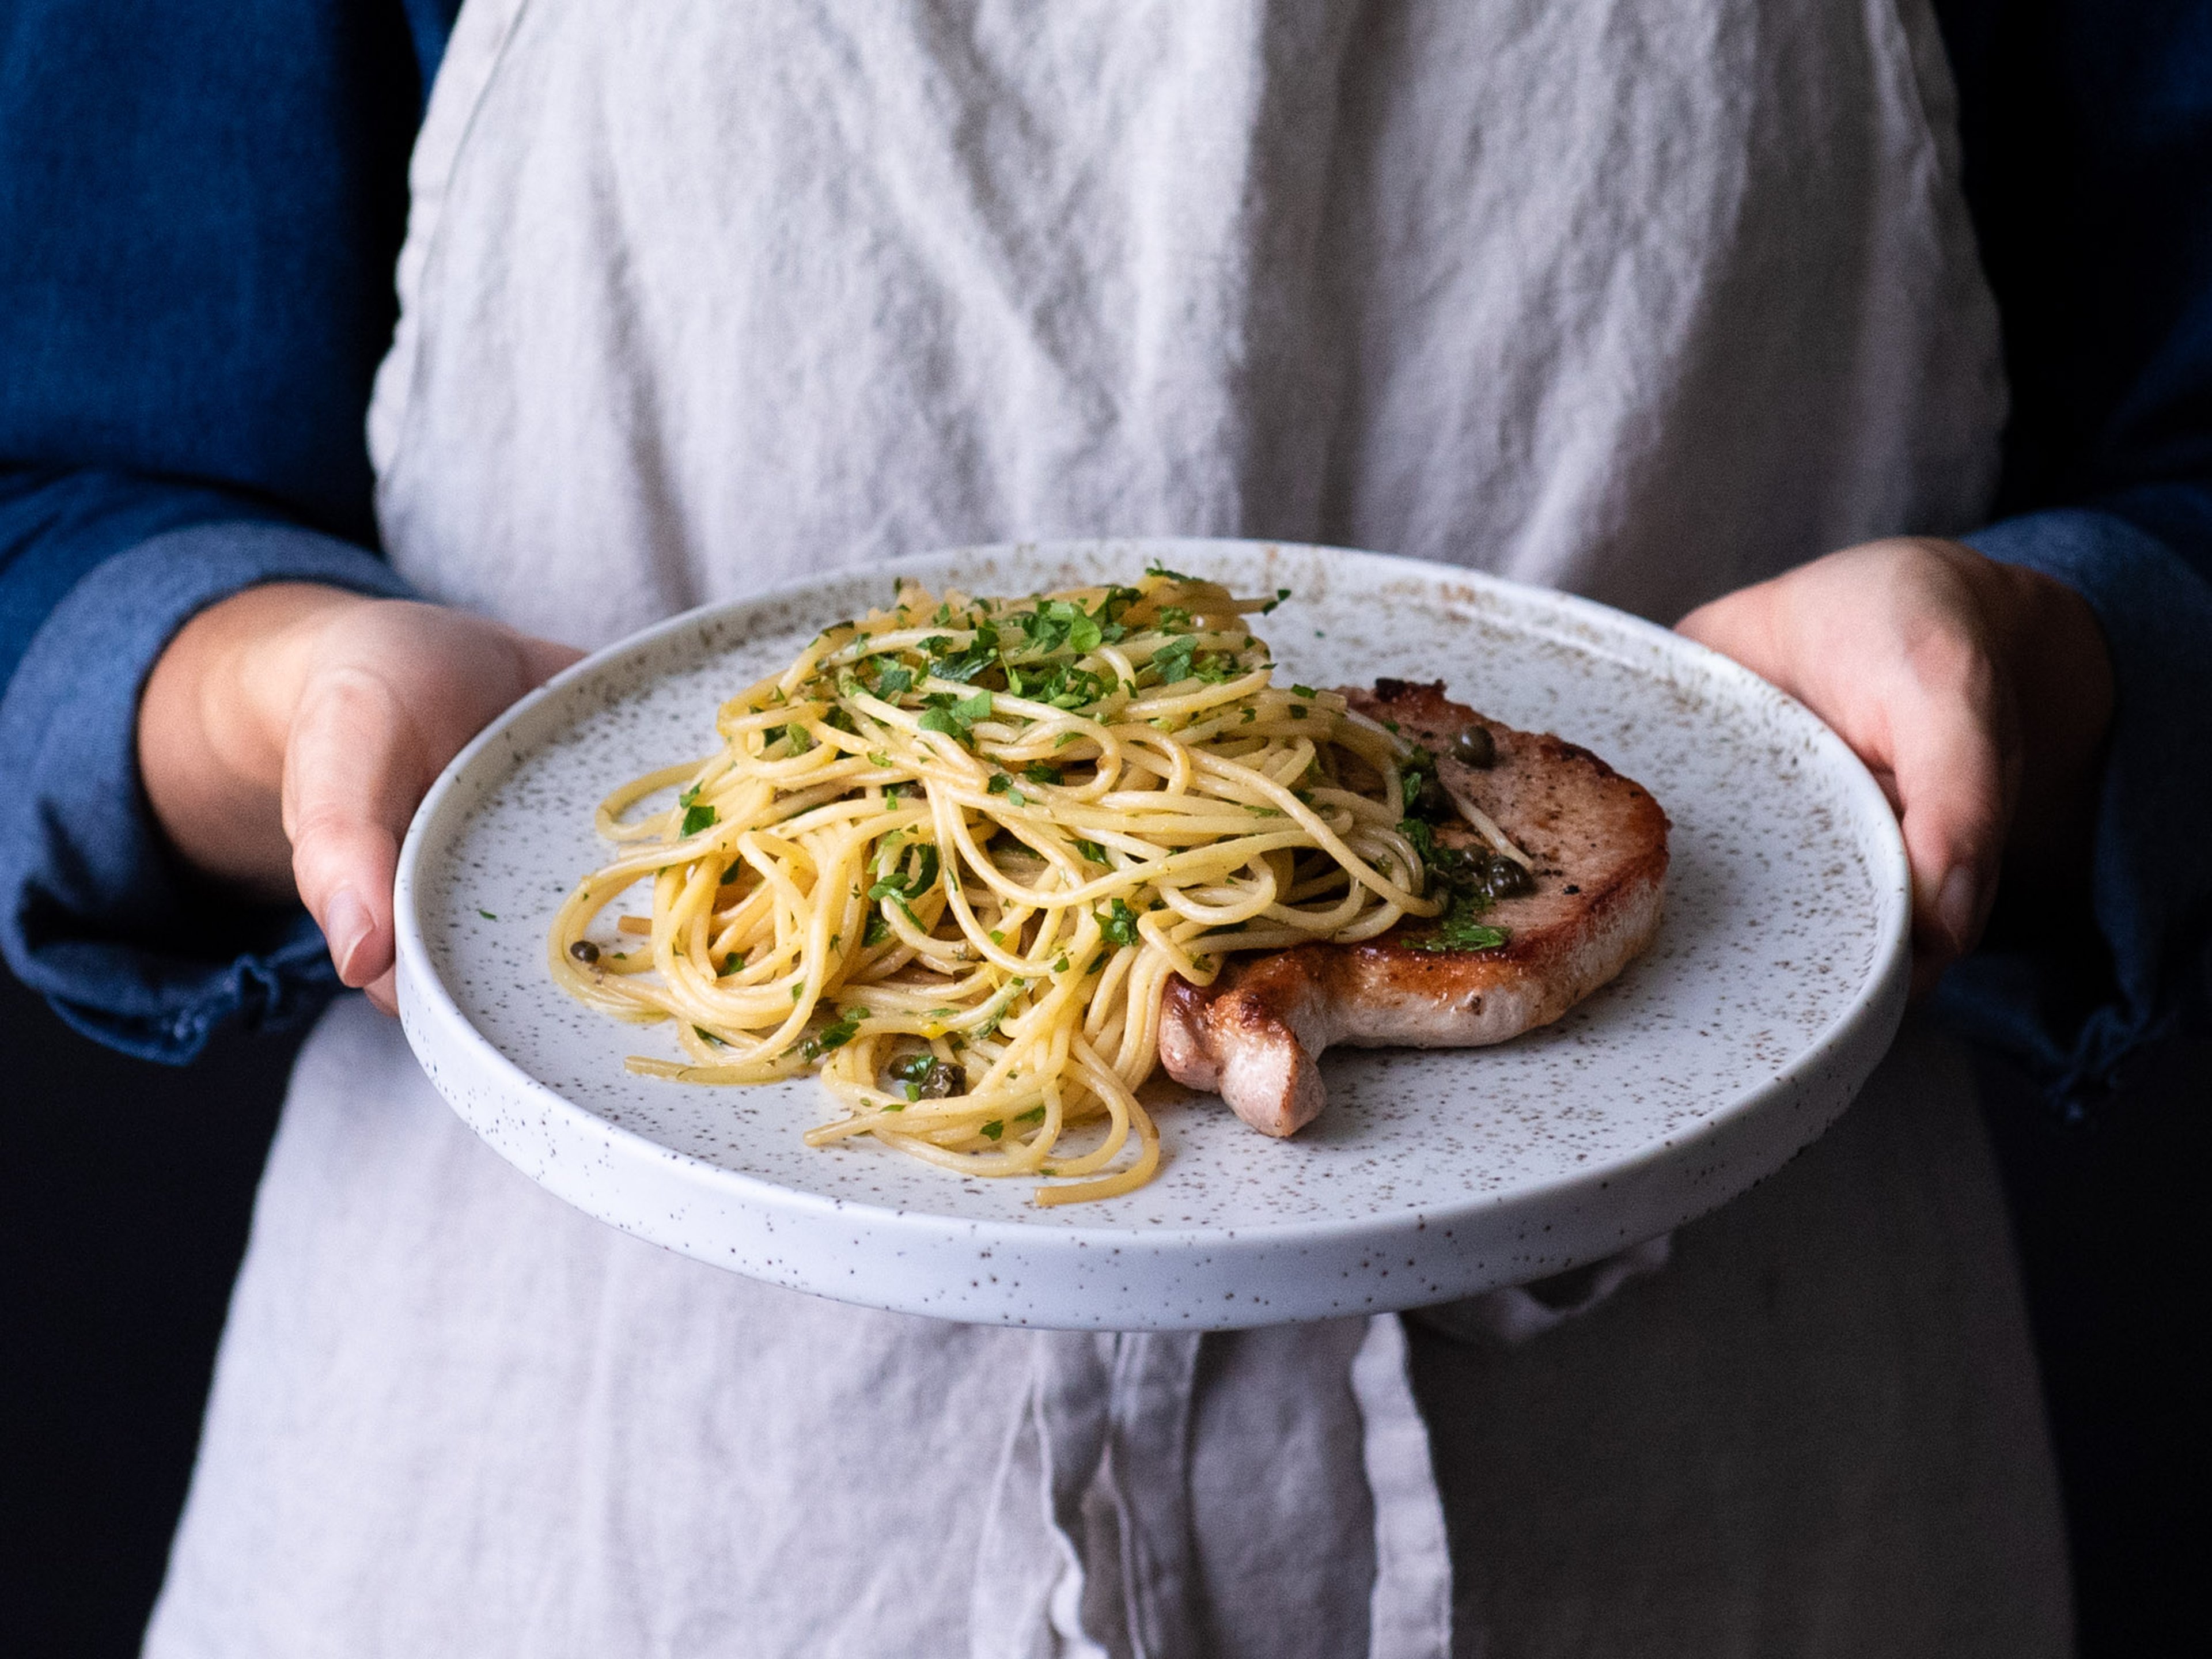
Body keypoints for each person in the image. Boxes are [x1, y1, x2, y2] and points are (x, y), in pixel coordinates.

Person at [3, 1, 2207, 1653]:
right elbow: (63, 497)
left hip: (1733, 1494)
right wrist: (276, 692)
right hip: (606, 1505)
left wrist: (2055, 649)